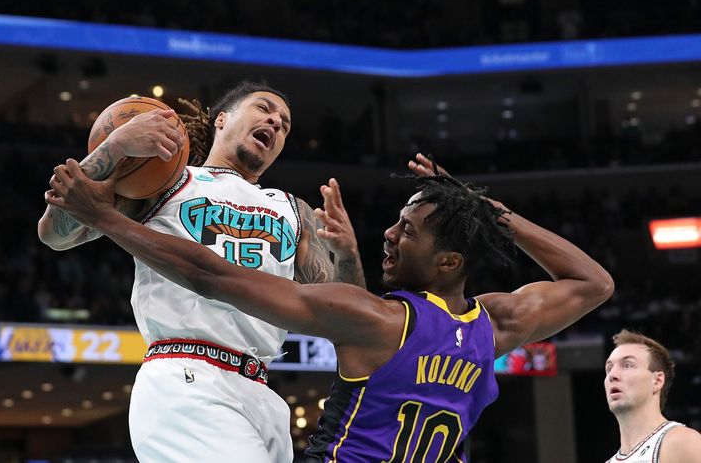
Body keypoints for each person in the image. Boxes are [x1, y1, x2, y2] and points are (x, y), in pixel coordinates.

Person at [46, 153, 615, 462]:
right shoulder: (496, 325)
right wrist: (488, 210)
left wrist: (104, 219)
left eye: (408, 231)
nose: (388, 234)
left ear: (448, 262)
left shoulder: (379, 319)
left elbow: (209, 273)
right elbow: (593, 282)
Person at [38, 81, 366, 462]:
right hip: (186, 374)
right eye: (264, 109)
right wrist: (115, 146)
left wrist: (348, 255)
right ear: (222, 120)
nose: (276, 122)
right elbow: (55, 234)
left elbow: (347, 318)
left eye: (285, 125)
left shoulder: (293, 210)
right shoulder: (166, 181)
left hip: (260, 388)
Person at [604, 330, 701, 462]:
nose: (612, 375)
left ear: (657, 381)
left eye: (627, 365)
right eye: (609, 368)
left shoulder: (682, 443)